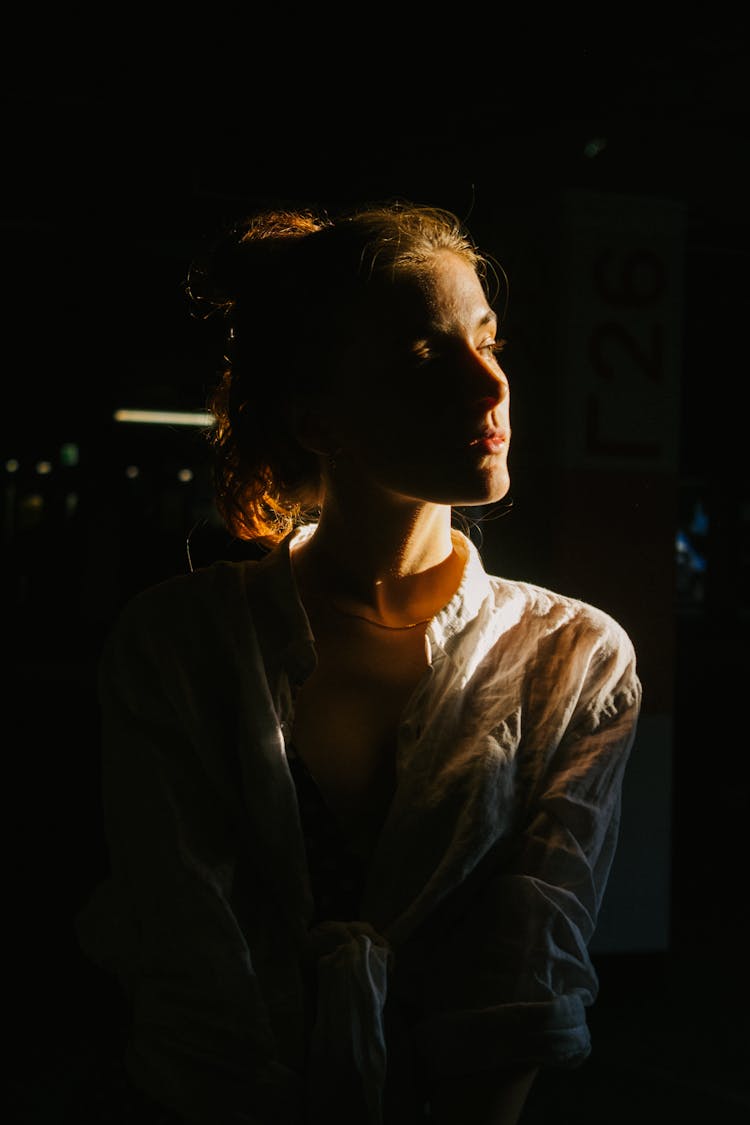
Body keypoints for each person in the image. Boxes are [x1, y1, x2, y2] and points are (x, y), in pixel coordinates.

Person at [74, 201, 642, 1125]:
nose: (489, 386)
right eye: (426, 356)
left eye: (487, 339)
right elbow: (186, 966)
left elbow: (531, 970)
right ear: (319, 421)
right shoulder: (180, 643)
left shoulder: (571, 657)